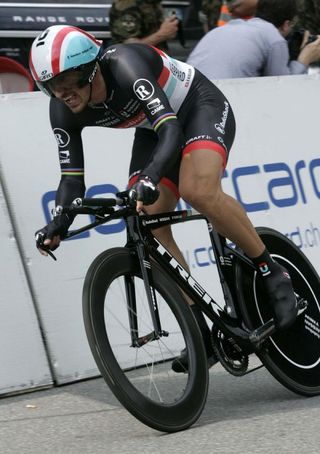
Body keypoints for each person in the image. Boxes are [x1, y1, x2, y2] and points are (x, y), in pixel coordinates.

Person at [29, 24, 298, 372]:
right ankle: (200, 332)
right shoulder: (62, 110)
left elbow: (170, 129)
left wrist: (151, 178)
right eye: (52, 87)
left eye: (69, 82)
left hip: (196, 106)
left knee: (198, 189)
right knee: (145, 222)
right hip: (152, 129)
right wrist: (60, 222)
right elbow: (71, 179)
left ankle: (272, 271)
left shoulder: (126, 66)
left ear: (91, 68)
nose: (63, 94)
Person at [187, 0, 320, 79]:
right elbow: (282, 85)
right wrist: (304, 59)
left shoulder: (224, 28)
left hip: (185, 94)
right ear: (286, 24)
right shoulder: (273, 37)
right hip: (216, 102)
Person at [108, 0, 179, 52]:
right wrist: (161, 35)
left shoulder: (152, 3)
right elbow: (128, 47)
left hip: (158, 60)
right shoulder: (127, 4)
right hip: (137, 65)